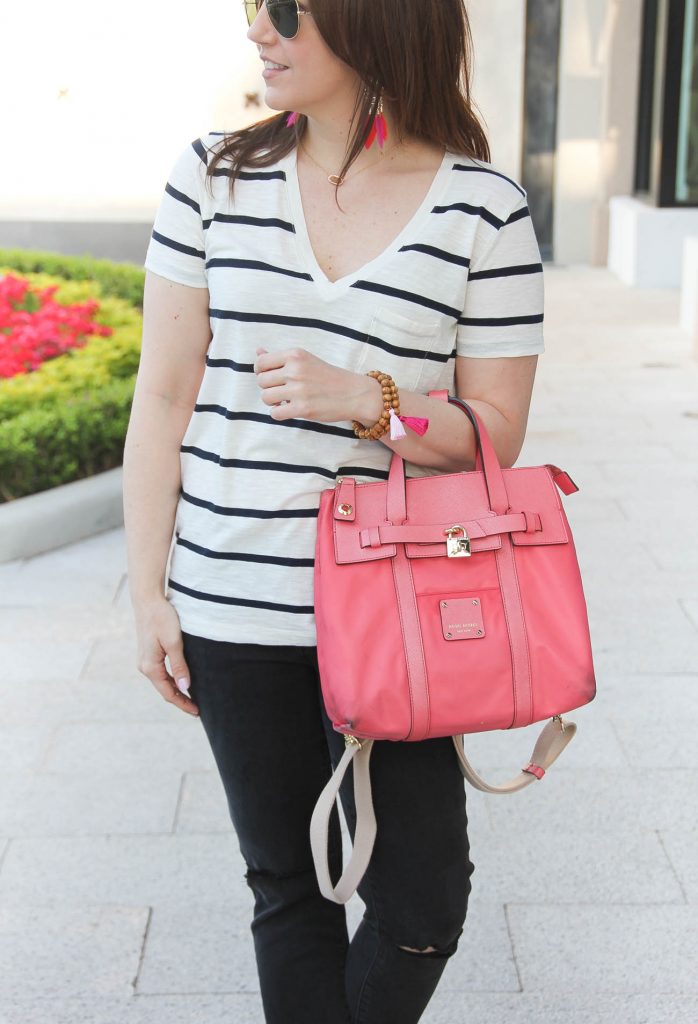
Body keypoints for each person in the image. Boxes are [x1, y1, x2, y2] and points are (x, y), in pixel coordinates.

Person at [122, 0, 545, 1020]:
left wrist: (372, 400)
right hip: (230, 599)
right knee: (287, 888)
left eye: (284, 13)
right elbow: (163, 396)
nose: (257, 33)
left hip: (396, 610)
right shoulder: (213, 179)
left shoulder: (481, 210)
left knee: (421, 900)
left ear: (375, 22)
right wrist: (149, 595)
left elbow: (495, 435)